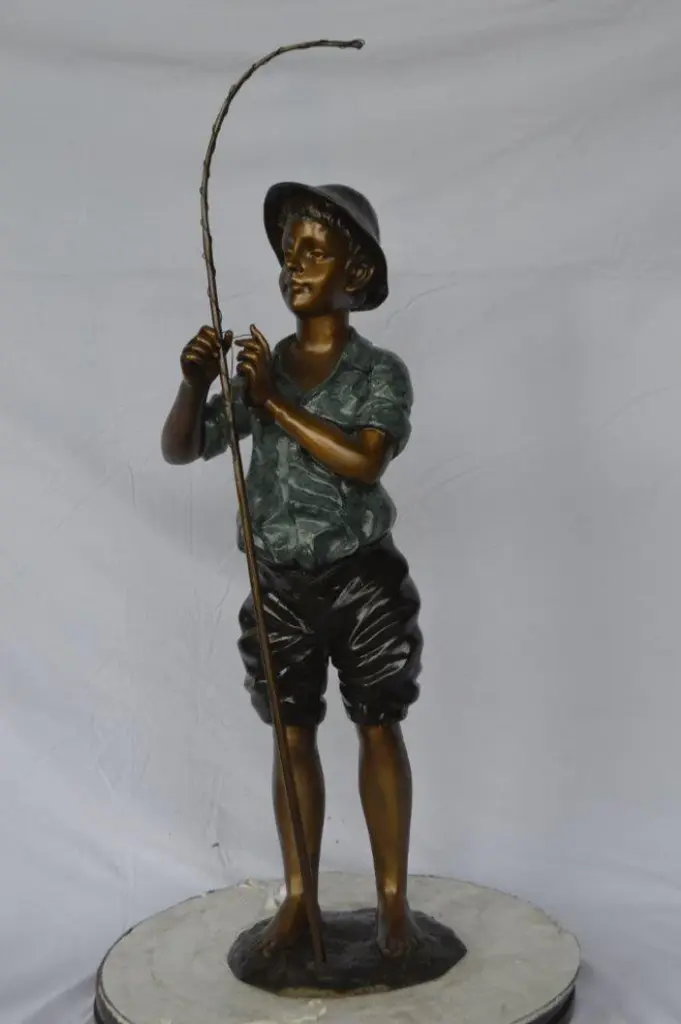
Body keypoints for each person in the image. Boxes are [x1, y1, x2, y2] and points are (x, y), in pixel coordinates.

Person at [161, 183, 423, 958]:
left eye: (314, 251)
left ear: (358, 273)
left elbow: (365, 461)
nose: (294, 265)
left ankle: (392, 903)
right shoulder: (263, 365)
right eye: (288, 251)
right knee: (291, 734)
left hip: (362, 581)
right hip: (277, 584)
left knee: (377, 723)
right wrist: (194, 386)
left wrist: (271, 405)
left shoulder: (377, 371)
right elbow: (182, 449)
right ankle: (299, 896)